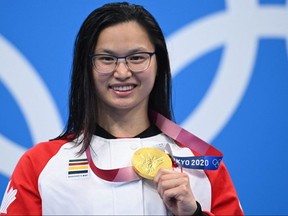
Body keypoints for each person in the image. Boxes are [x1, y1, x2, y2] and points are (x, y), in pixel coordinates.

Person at [0, 2, 244, 215]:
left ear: (159, 63)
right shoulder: (40, 164)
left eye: (137, 57)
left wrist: (194, 215)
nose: (123, 72)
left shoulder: (202, 165)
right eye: (106, 59)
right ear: (86, 67)